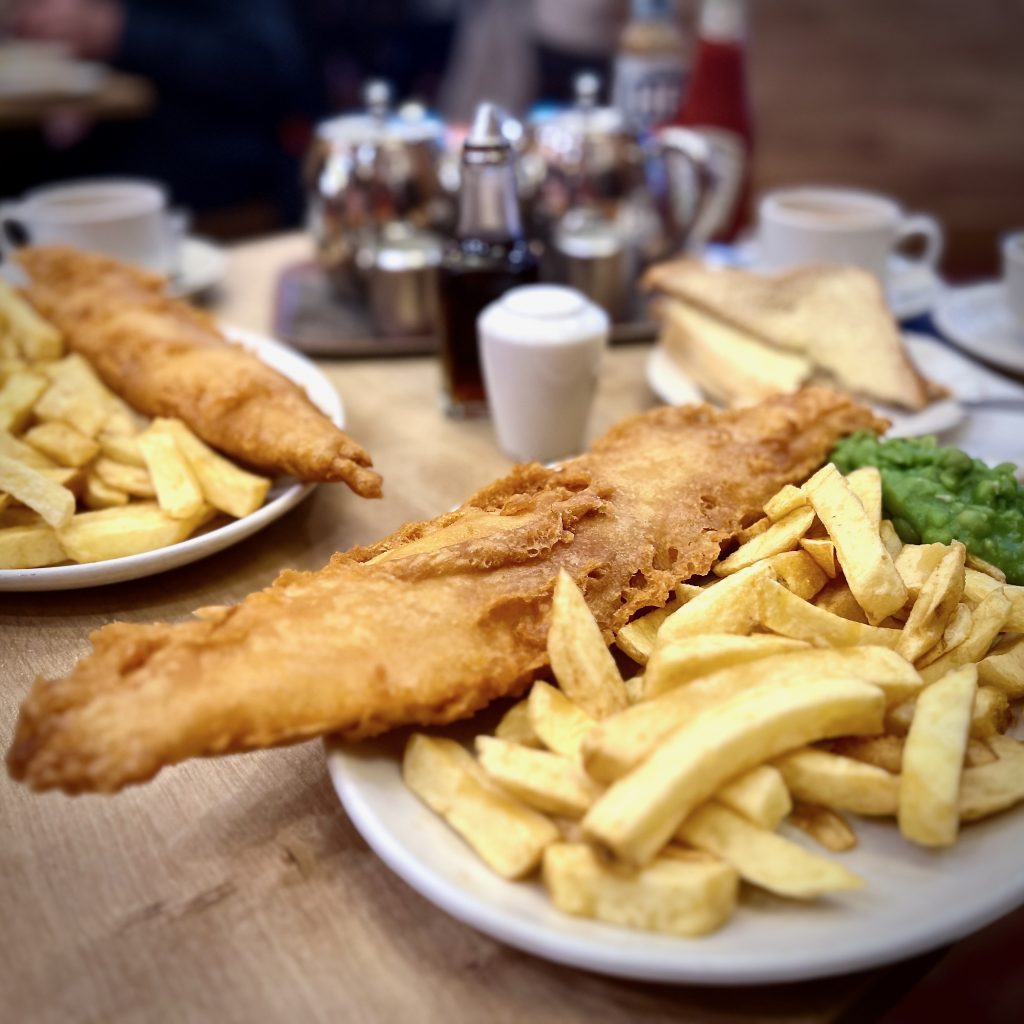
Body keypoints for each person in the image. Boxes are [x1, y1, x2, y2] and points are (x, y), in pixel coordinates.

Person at [7, 0, 315, 223]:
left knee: (29, 185)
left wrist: (119, 30)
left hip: (217, 156)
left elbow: (265, 64)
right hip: (120, 138)